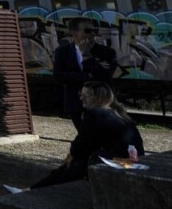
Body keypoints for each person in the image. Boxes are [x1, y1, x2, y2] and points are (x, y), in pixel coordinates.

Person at [12, 82, 145, 192]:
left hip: (118, 161)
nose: (81, 98)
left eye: (85, 95)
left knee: (72, 167)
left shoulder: (95, 114)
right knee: (73, 165)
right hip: (134, 160)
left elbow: (82, 143)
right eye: (80, 94)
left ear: (97, 98)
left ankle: (33, 191)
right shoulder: (117, 113)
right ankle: (32, 190)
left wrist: (72, 155)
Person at [53, 18, 120, 131]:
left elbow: (106, 74)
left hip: (102, 103)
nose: (93, 33)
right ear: (75, 32)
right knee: (85, 136)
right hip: (76, 103)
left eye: (94, 30)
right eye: (88, 31)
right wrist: (87, 75)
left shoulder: (107, 52)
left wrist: (87, 55)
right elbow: (59, 76)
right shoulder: (62, 52)